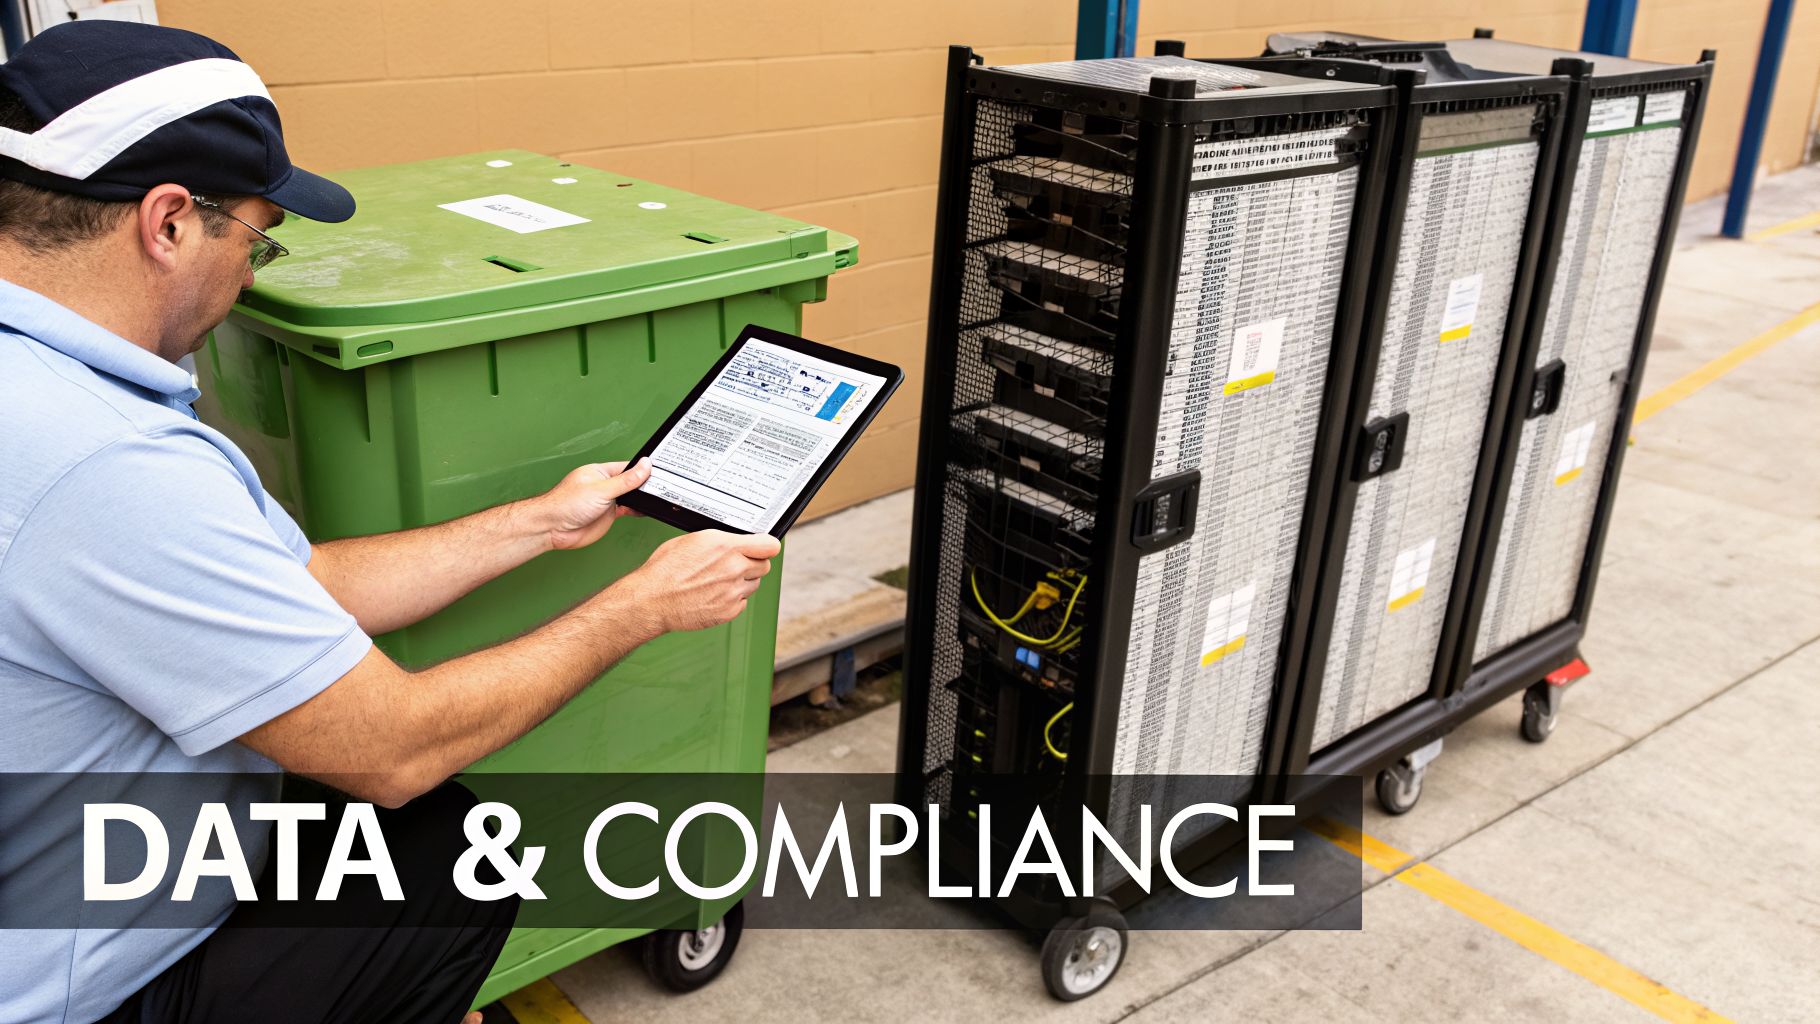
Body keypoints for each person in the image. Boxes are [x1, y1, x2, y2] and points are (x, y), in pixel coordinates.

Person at [0, 20, 780, 1024]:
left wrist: (540, 521)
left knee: (416, 841)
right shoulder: (109, 464)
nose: (252, 273)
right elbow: (394, 750)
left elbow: (302, 583)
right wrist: (642, 606)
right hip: (68, 991)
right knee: (451, 857)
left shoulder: (52, 390)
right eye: (254, 237)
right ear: (169, 223)